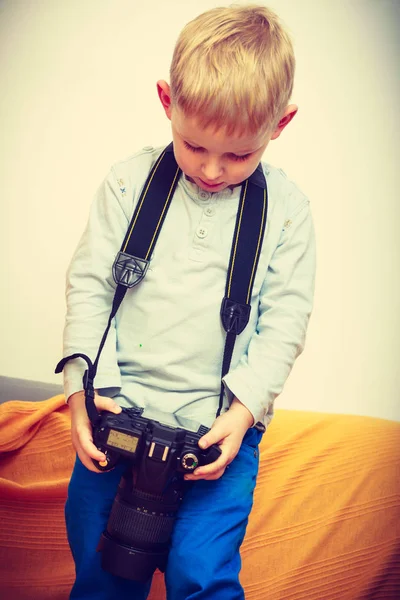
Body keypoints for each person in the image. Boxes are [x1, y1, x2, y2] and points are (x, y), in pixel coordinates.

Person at [61, 4, 316, 599]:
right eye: (194, 145)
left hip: (219, 434)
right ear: (166, 101)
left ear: (281, 124)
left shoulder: (289, 212)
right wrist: (80, 393)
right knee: (101, 577)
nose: (211, 169)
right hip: (114, 418)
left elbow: (286, 324)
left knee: (201, 577)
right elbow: (90, 288)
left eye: (239, 156)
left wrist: (244, 414)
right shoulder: (127, 183)